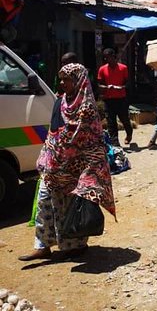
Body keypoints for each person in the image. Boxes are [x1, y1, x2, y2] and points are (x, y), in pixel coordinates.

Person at [19, 63, 116, 261]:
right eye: (61, 79)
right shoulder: (59, 101)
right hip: (54, 166)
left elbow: (90, 140)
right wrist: (46, 155)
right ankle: (42, 246)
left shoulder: (87, 108)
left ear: (79, 80)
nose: (63, 83)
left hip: (76, 170)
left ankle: (75, 246)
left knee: (71, 209)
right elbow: (53, 132)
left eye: (67, 79)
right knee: (45, 205)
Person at [97, 48, 133, 146]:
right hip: (109, 99)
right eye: (106, 58)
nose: (109, 60)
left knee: (124, 118)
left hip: (121, 98)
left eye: (110, 57)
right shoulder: (102, 69)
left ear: (114, 57)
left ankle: (129, 133)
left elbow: (127, 83)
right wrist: (106, 87)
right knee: (111, 122)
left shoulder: (123, 68)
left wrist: (121, 87)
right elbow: (99, 84)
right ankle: (115, 143)